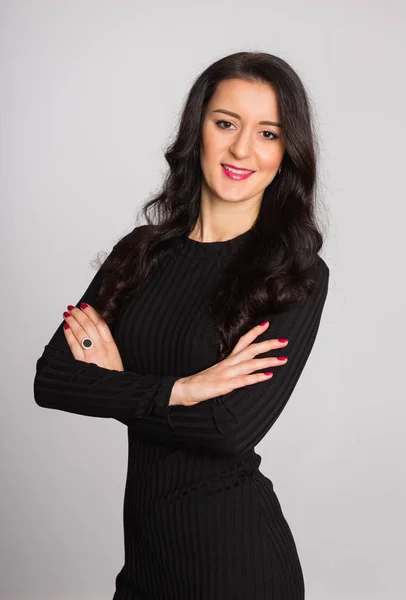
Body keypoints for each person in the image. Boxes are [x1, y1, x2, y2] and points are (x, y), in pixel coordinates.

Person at [33, 51, 330, 600]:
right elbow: (51, 381)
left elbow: (228, 430)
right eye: (226, 124)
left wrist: (117, 386)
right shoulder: (138, 255)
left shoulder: (294, 275)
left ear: (287, 152)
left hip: (237, 564)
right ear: (198, 129)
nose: (243, 149)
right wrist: (184, 390)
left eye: (268, 132)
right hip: (146, 561)